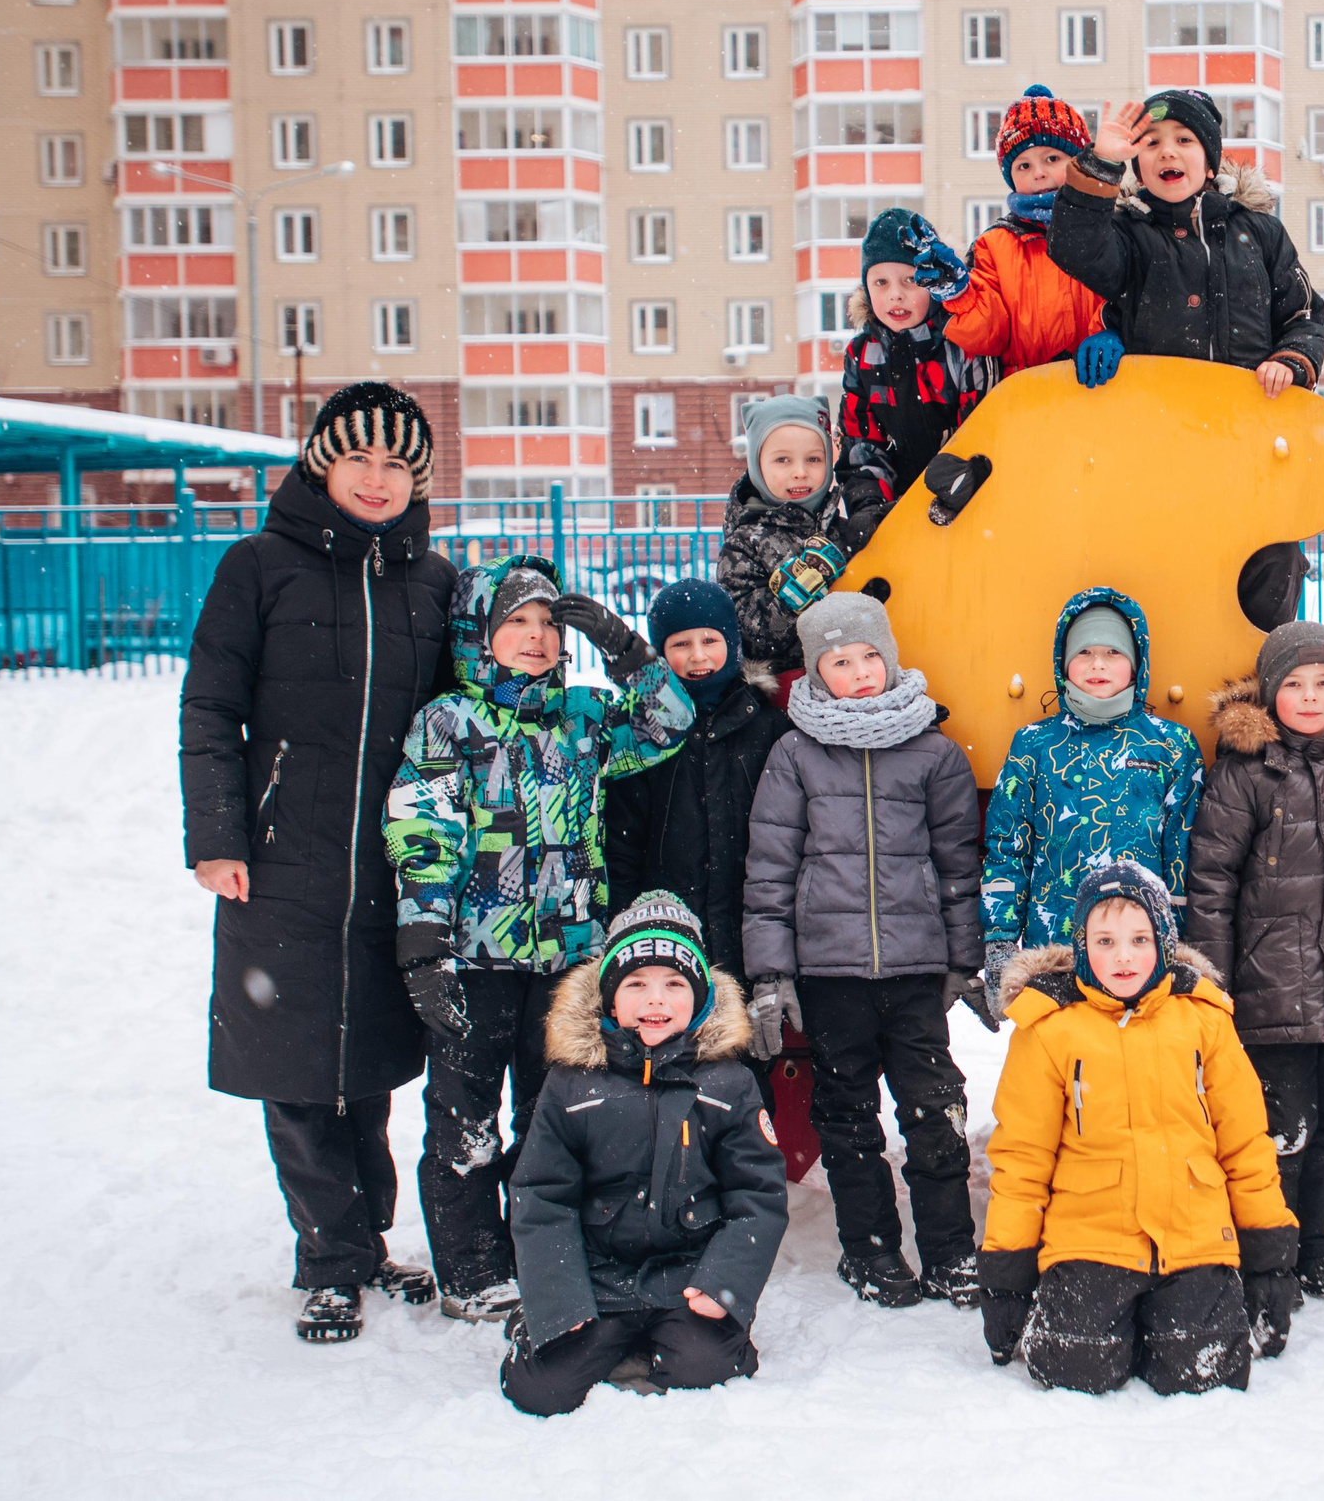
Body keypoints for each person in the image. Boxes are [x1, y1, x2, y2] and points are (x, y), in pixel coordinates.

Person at [180, 383, 452, 1343]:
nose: (377, 482)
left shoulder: (433, 580)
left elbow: (460, 724)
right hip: (279, 856)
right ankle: (330, 1259)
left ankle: (368, 1238)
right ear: (321, 465)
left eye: (396, 467)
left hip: (391, 864)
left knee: (371, 1062)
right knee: (296, 1067)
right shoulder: (258, 567)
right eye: (359, 462)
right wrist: (217, 834)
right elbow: (210, 706)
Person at [382, 554, 695, 1323]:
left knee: (555, 1115)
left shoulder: (585, 718)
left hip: (568, 960)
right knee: (464, 1118)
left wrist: (626, 650)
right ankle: (470, 1267)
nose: (535, 637)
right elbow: (420, 828)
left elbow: (669, 723)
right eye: (515, 622)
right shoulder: (448, 721)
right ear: (479, 636)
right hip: (474, 957)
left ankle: (539, 1248)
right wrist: (423, 940)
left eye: (549, 625)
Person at [740, 593, 985, 1308]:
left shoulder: (934, 752)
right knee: (846, 1117)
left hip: (914, 970)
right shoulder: (795, 754)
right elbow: (771, 869)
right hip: (831, 971)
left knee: (935, 1111)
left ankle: (948, 1249)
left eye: (868, 656)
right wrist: (770, 970)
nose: (858, 672)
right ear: (817, 673)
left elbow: (956, 863)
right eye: (839, 662)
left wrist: (962, 957)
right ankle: (871, 1248)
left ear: (890, 657)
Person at [978, 860, 1301, 1394]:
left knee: (1206, 1374)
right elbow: (1023, 1159)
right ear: (1082, 946)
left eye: (1138, 938)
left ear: (1164, 944)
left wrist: (1268, 1257)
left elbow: (1245, 1143)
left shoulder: (1204, 1019)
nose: (1122, 956)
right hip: (1091, 1235)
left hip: (1193, 1234)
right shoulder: (1050, 1029)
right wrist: (1007, 1275)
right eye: (1104, 941)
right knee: (1072, 1371)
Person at [499, 894, 787, 1415]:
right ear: (611, 999)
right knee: (541, 1391)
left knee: (706, 1368)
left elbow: (758, 1196)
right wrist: (559, 1296)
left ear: (699, 999)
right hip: (596, 1279)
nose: (655, 1000)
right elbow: (541, 1197)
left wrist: (721, 1283)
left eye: (674, 984)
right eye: (636, 985)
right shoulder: (572, 1084)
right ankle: (555, 1327)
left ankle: (656, 1341)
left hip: (686, 1277)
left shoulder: (730, 1083)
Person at [1184, 622, 1324, 1301]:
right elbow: (1211, 883)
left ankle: (1321, 1247)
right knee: (1283, 1130)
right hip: (1269, 988)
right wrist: (1215, 989)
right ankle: (1271, 1248)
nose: (1309, 697)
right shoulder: (1245, 772)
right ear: (1272, 692)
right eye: (1295, 685)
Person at [980, 587, 1203, 1005]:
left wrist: (1183, 940)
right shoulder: (1034, 745)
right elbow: (1007, 848)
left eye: (1113, 653)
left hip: (1141, 955)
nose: (1098, 664)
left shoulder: (1171, 746)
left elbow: (1184, 852)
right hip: (1054, 955)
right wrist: (1000, 943)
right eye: (1083, 653)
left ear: (1136, 663)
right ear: (1064, 663)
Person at [1046, 88, 1324, 399]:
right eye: (1152, 143)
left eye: (1183, 140)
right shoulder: (1128, 233)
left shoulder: (1260, 233)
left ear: (1210, 163)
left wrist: (1290, 360)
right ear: (1139, 173)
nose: (1167, 151)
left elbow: (1301, 316)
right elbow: (1075, 248)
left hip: (1244, 420)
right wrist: (1101, 165)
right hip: (1156, 417)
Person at [604, 578, 793, 990]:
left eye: (710, 640)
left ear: (733, 643)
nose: (698, 656)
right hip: (667, 938)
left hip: (751, 936)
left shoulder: (770, 727)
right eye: (680, 644)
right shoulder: (644, 736)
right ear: (659, 652)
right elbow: (621, 845)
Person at [917, 84, 1108, 375]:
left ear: (1077, 163)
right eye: (1023, 166)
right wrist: (961, 296)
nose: (1038, 172)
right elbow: (990, 335)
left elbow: (1132, 297)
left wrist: (1114, 328)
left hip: (1108, 390)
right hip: (1029, 400)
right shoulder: (994, 246)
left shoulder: (1109, 226)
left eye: (1052, 159)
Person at [834, 209, 1002, 535]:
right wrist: (868, 506)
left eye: (910, 280)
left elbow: (985, 422)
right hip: (900, 510)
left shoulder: (960, 342)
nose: (895, 294)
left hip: (968, 502)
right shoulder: (864, 355)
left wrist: (968, 474)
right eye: (880, 282)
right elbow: (863, 443)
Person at [715, 394, 865, 682]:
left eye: (813, 458)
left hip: (859, 682)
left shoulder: (845, 531)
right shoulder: (744, 544)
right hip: (786, 690)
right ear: (757, 465)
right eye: (782, 459)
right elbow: (746, 636)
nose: (800, 472)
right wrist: (790, 600)